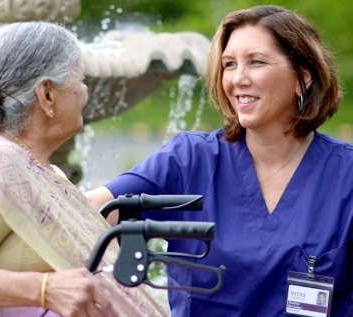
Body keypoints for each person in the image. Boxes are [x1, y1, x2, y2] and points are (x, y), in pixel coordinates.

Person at [86, 5, 353, 317]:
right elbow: (91, 213)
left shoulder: (345, 175)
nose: (238, 79)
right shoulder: (189, 160)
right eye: (229, 64)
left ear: (302, 78)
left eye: (256, 62)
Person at [0, 22, 167, 317]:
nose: (85, 92)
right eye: (80, 80)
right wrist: (44, 289)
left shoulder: (35, 166)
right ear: (47, 95)